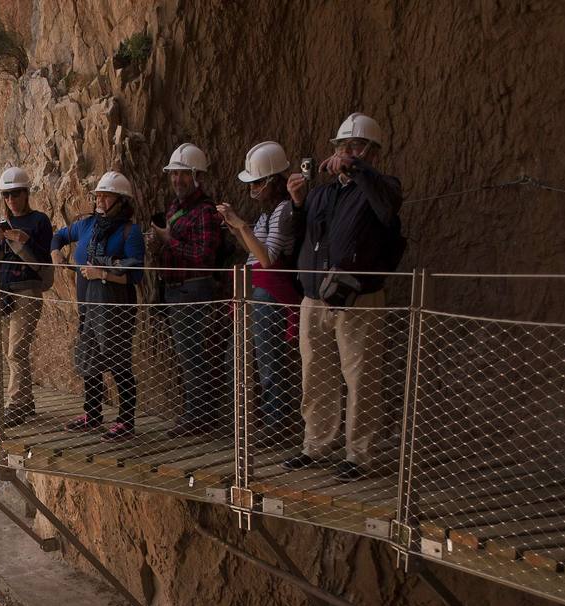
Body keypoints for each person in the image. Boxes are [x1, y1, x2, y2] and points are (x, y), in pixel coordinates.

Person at [281, 113, 404, 482]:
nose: (344, 154)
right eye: (341, 148)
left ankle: (358, 453)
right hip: (315, 297)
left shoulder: (382, 186)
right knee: (315, 375)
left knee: (360, 375)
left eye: (354, 147)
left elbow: (388, 205)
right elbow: (298, 235)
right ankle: (315, 445)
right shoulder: (323, 193)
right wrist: (299, 203)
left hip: (357, 299)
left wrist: (358, 169)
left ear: (372, 153)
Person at [217, 141, 301, 443]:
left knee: (268, 358)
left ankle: (276, 424)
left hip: (270, 292)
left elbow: (268, 258)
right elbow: (253, 251)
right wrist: (237, 229)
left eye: (257, 184)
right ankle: (245, 421)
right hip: (253, 289)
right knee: (236, 358)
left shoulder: (283, 212)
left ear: (272, 181)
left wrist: (242, 226)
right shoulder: (267, 214)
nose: (253, 190)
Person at [52, 171, 145, 439]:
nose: (100, 200)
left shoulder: (130, 232)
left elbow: (135, 275)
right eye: (98, 195)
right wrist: (56, 253)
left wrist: (103, 274)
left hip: (116, 306)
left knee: (118, 361)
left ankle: (127, 421)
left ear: (121, 200)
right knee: (89, 357)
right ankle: (92, 414)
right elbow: (58, 236)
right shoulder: (87, 225)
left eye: (106, 195)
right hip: (88, 304)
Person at [149, 142, 226, 437]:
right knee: (187, 355)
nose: (176, 180)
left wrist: (169, 239)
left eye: (182, 175)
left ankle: (201, 418)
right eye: (173, 175)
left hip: (193, 288)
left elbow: (204, 255)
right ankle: (197, 414)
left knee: (194, 354)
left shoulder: (204, 211)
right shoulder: (175, 208)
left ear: (196, 176)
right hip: (175, 289)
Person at [0, 166, 53, 427]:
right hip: (4, 291)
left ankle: (16, 404)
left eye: (15, 194)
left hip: (27, 291)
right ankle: (26, 401)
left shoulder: (39, 221)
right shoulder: (0, 224)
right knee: (9, 351)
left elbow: (43, 262)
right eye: (6, 195)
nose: (11, 200)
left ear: (26, 194)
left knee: (16, 350)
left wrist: (23, 241)